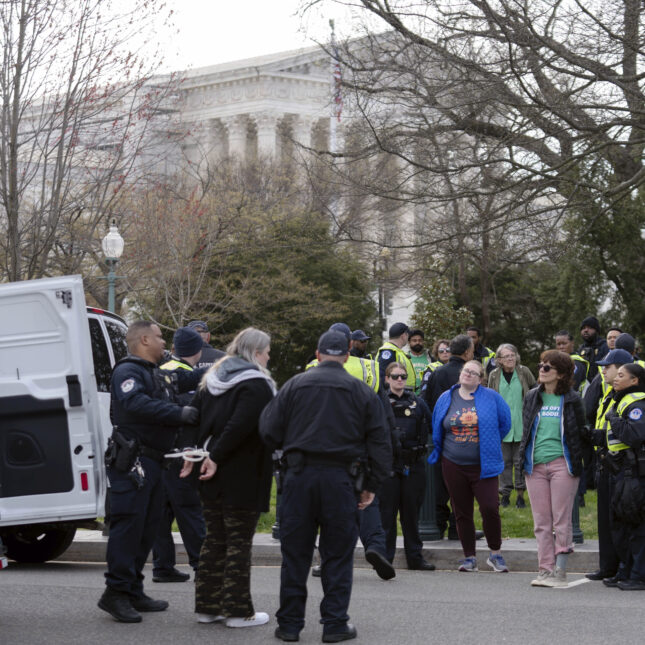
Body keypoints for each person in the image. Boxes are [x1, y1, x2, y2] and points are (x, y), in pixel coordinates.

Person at [259, 330, 391, 643]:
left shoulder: (294, 385)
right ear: (347, 355)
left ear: (317, 354)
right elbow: (380, 443)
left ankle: (290, 625)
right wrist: (370, 484)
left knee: (296, 555)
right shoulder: (360, 390)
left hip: (299, 478)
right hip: (341, 481)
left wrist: (285, 457)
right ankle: (334, 623)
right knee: (338, 555)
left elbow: (267, 429)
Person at [98, 321, 202, 623]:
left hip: (155, 463)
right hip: (134, 463)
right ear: (144, 340)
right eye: (159, 337)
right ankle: (115, 594)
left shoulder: (154, 373)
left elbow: (183, 381)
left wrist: (219, 368)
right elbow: (136, 403)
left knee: (146, 530)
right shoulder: (128, 372)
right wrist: (179, 414)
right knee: (128, 528)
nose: (164, 343)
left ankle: (132, 590)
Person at [182, 327, 276, 628]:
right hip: (243, 473)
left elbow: (192, 416)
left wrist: (194, 453)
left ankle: (208, 607)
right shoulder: (256, 384)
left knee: (215, 539)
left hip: (209, 471)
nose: (269, 356)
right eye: (267, 351)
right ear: (256, 352)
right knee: (238, 542)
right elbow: (241, 425)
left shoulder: (211, 379)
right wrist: (217, 457)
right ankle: (238, 611)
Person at [428, 359, 511, 572]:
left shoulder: (492, 398)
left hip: (484, 465)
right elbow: (438, 424)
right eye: (466, 370)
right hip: (453, 463)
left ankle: (495, 553)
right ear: (460, 373)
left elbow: (505, 423)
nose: (468, 374)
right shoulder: (446, 397)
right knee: (461, 511)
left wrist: (489, 441)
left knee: (490, 507)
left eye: (474, 373)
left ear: (480, 379)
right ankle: (469, 557)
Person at [519, 350, 587, 588]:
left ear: (561, 374)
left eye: (547, 367)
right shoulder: (532, 397)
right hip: (534, 466)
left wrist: (579, 464)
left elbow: (581, 433)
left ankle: (560, 571)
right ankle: (544, 569)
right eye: (540, 365)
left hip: (562, 465)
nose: (541, 370)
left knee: (561, 520)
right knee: (541, 521)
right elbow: (526, 431)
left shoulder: (572, 399)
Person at [152, 327, 207, 583]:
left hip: (158, 450)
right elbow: (192, 417)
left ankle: (163, 566)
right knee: (189, 508)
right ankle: (202, 565)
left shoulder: (161, 370)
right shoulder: (188, 376)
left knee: (162, 512)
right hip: (180, 451)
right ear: (198, 350)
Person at [584, 348, 634, 583]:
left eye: (608, 367)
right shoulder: (609, 393)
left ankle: (622, 569)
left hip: (620, 464)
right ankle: (608, 567)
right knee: (605, 520)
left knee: (619, 521)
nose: (603, 370)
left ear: (622, 369)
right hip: (604, 460)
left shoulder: (631, 397)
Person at [380, 362, 435, 570]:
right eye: (395, 376)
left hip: (413, 465)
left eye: (403, 376)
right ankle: (385, 559)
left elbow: (431, 426)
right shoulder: (380, 402)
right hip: (389, 466)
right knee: (387, 515)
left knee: (411, 516)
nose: (399, 380)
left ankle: (415, 557)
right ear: (387, 379)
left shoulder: (417, 403)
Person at [424, 334, 474, 540]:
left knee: (440, 482)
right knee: (462, 483)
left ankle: (437, 524)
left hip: (440, 433)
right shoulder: (470, 374)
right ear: (466, 352)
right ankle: (457, 526)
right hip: (465, 435)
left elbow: (429, 402)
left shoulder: (438, 373)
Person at [601, 363, 645, 590]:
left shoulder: (638, 403)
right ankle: (626, 571)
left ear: (634, 380)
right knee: (622, 526)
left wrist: (613, 419)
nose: (615, 379)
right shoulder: (620, 401)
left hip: (634, 473)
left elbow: (635, 435)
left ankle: (638, 576)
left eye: (621, 375)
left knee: (636, 525)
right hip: (620, 472)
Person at [487, 343, 536, 508]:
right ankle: (505, 494)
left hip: (522, 424)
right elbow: (490, 399)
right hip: (502, 426)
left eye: (512, 355)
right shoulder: (494, 375)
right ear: (499, 360)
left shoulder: (524, 371)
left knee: (519, 461)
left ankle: (521, 495)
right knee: (504, 461)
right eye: (506, 356)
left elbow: (535, 391)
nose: (510, 359)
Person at [376, 322, 415, 389]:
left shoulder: (396, 351)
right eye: (408, 335)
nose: (408, 338)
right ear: (403, 336)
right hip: (396, 396)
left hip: (402, 395)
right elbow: (382, 378)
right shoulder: (389, 352)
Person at [578, 315, 609, 382]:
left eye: (590, 327)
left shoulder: (604, 346)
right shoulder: (581, 349)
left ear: (596, 330)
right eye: (583, 328)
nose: (586, 330)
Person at [407, 329, 431, 394]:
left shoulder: (430, 358)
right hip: (410, 396)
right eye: (414, 340)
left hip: (426, 395)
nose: (418, 342)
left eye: (420, 340)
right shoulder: (405, 358)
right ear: (409, 342)